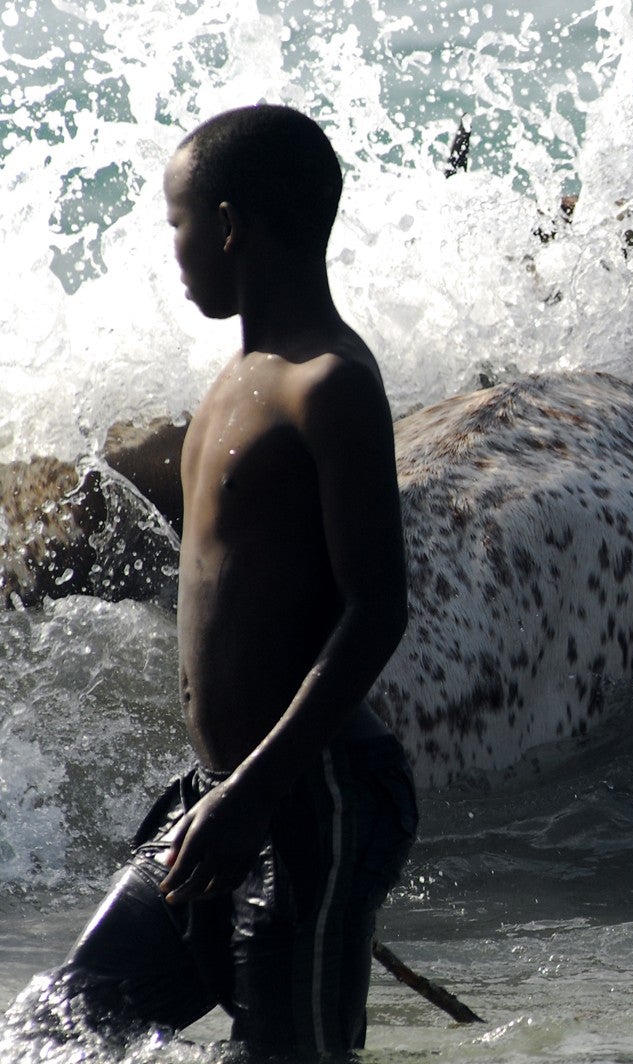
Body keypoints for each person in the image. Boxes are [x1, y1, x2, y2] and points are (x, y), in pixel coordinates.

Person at [20, 103, 417, 1056]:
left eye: (178, 223)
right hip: (219, 795)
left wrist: (250, 799)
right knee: (59, 1029)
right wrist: (224, 796)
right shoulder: (236, 379)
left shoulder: (330, 384)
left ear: (231, 227)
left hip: (311, 795)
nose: (176, 249)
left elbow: (377, 613)